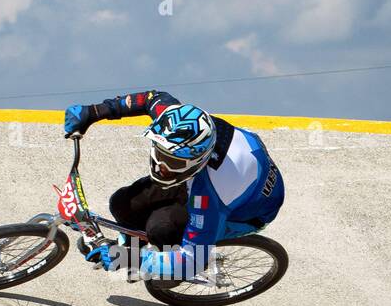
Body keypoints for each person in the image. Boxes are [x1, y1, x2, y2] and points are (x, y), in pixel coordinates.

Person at [62, 90, 285, 280]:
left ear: (196, 160)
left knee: (161, 228)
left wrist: (132, 260)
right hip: (205, 175)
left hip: (244, 211)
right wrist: (94, 112)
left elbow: (189, 263)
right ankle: (136, 243)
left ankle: (167, 279)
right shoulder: (178, 120)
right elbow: (152, 98)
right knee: (123, 203)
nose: (160, 166)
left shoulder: (211, 194)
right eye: (160, 153)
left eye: (172, 162)